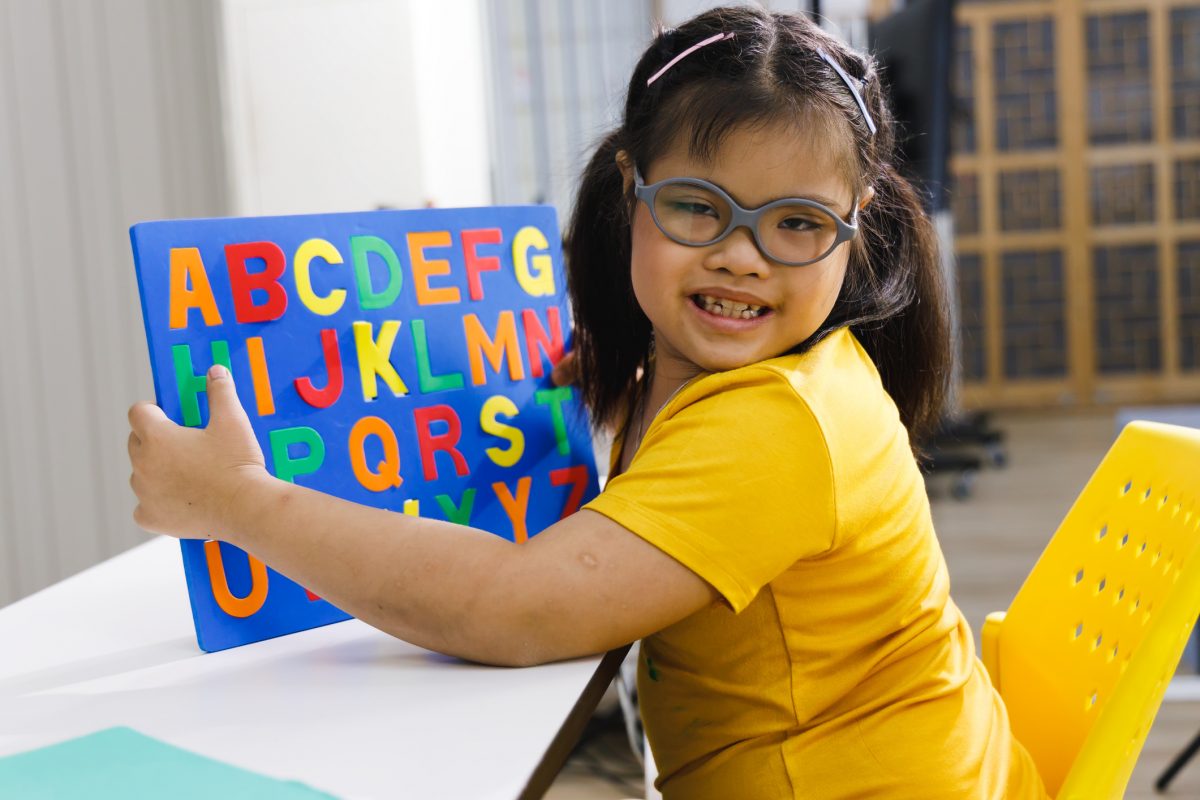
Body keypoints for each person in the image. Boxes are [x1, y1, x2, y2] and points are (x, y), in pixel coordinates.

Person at [128, 6, 1048, 798]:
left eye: (797, 223)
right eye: (697, 207)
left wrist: (242, 501)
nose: (741, 254)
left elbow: (512, 610)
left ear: (856, 233)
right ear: (631, 191)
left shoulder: (782, 425)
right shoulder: (715, 375)